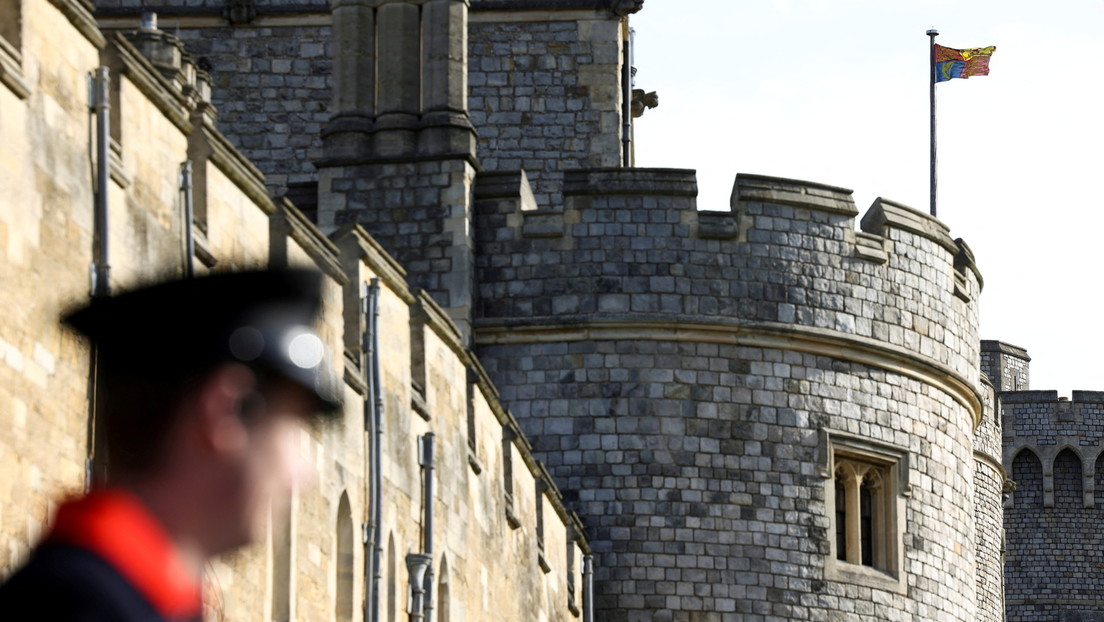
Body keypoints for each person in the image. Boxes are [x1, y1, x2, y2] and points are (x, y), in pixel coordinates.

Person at [0, 269, 342, 621]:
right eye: (292, 429)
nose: (305, 473)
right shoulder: (81, 607)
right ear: (224, 412)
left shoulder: (110, 597)